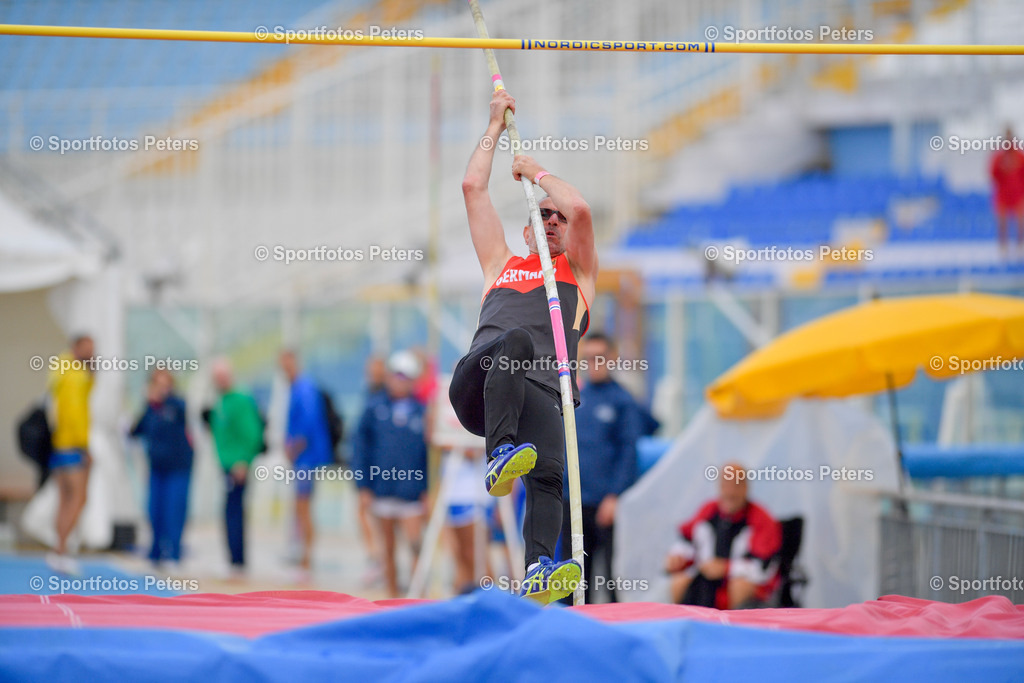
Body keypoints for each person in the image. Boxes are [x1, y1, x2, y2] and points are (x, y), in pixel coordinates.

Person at [449, 88, 598, 604]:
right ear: (529, 229)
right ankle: (499, 456)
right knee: (513, 340)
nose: (553, 220)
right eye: (544, 215)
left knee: (551, 475)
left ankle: (537, 571)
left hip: (542, 394)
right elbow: (472, 186)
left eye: (557, 218)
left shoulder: (578, 276)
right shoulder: (501, 263)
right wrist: (494, 125)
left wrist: (536, 173)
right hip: (482, 386)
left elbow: (578, 206)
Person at [558, 332, 642, 603]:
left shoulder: (622, 401)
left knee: (609, 577)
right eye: (587, 359)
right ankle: (572, 630)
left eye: (599, 358)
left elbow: (629, 451)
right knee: (573, 575)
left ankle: (613, 628)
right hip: (573, 504)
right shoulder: (573, 396)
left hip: (605, 505)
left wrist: (614, 496)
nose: (593, 364)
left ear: (613, 358)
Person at [351, 350, 429, 598]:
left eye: (405, 376)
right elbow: (359, 449)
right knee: (388, 549)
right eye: (396, 375)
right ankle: (392, 597)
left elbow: (428, 455)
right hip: (382, 490)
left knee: (416, 545)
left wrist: (429, 490)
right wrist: (362, 486)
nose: (399, 381)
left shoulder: (422, 411)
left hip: (412, 493)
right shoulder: (373, 409)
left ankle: (417, 596)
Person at [665, 463, 782, 609]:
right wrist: (677, 556)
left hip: (744, 583)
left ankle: (735, 630)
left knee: (739, 586)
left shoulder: (761, 519)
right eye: (726, 485)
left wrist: (726, 568)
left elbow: (763, 567)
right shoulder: (709, 510)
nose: (730, 492)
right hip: (707, 581)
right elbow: (687, 541)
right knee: (679, 582)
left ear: (746, 488)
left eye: (736, 486)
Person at [130, 369, 193, 569]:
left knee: (174, 511)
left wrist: (164, 399)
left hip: (178, 467)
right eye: (158, 383)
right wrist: (149, 404)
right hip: (157, 468)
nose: (162, 388)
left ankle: (174, 555)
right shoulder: (150, 408)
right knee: (154, 510)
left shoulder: (177, 405)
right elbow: (135, 431)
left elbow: (183, 416)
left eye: (166, 383)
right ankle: (155, 553)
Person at [280, 349, 333, 580]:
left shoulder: (304, 388)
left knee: (304, 509)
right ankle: (301, 556)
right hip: (303, 458)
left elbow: (308, 425)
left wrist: (293, 449)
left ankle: (306, 562)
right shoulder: (297, 387)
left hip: (307, 459)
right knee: (300, 508)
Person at [208, 358, 263, 575]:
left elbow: (252, 434)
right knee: (229, 511)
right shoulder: (219, 402)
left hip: (237, 465)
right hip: (225, 464)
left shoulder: (241, 400)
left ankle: (238, 561)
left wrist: (244, 460)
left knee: (235, 512)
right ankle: (232, 558)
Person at [45, 335, 95, 575]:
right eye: (88, 349)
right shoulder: (75, 375)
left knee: (65, 499)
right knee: (77, 499)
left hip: (58, 444)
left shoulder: (61, 371)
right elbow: (75, 414)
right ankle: (61, 549)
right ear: (76, 348)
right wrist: (84, 447)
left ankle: (59, 549)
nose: (92, 353)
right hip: (72, 445)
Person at [990, 127, 1024, 255]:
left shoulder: (1020, 155)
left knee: (1021, 221)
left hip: (1018, 194)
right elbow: (993, 174)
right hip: (1003, 194)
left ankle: (1020, 245)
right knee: (1002, 222)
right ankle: (1003, 246)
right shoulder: (998, 157)